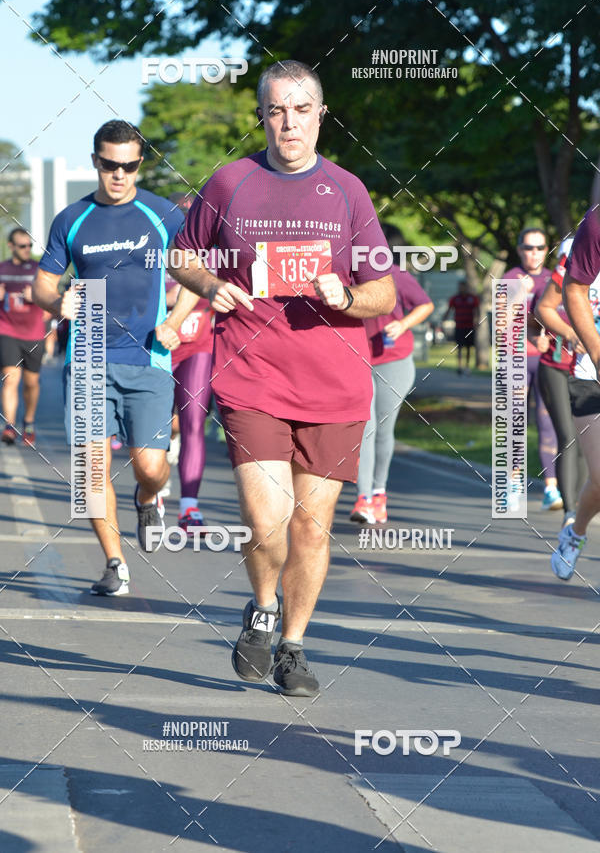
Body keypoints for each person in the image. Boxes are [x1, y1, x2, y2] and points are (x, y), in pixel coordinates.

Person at [171, 60, 395, 696]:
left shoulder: (348, 191)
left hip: (334, 384)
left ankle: (291, 644)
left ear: (321, 116)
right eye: (277, 110)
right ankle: (262, 606)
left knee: (311, 527)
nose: (289, 123)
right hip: (253, 375)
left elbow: (381, 292)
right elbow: (183, 255)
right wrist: (211, 285)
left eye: (301, 110)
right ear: (263, 116)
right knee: (266, 519)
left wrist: (345, 295)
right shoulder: (230, 182)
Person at [32, 119, 195, 596]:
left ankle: (149, 497)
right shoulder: (72, 219)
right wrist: (53, 301)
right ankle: (114, 563)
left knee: (150, 466)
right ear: (95, 161)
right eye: (109, 165)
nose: (118, 174)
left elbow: (195, 275)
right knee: (90, 471)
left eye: (128, 165)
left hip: (150, 356)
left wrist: (176, 319)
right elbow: (45, 281)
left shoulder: (164, 215)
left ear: (139, 164)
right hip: (87, 356)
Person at [350, 267, 433, 524]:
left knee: (383, 430)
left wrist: (403, 323)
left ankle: (378, 494)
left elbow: (425, 305)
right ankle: (363, 499)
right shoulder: (342, 274)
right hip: (356, 361)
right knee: (366, 428)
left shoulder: (394, 274)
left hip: (393, 361)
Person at [554, 208, 600, 579]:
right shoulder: (592, 229)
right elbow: (568, 290)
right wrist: (594, 349)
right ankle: (576, 531)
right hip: (589, 373)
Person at [165, 191, 214, 535]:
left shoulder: (215, 251)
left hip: (198, 348)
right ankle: (151, 489)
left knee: (193, 422)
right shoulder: (153, 249)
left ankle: (189, 506)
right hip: (157, 350)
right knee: (153, 427)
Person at [505, 228, 562, 511]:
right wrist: (520, 295)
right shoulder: (508, 278)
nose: (534, 253)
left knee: (546, 421)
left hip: (546, 359)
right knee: (515, 421)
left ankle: (551, 487)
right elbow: (502, 323)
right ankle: (513, 485)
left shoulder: (554, 279)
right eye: (528, 247)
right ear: (519, 249)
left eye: (540, 247)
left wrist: (546, 338)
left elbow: (559, 318)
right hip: (514, 358)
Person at [534, 239, 587, 530]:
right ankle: (569, 512)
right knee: (568, 436)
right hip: (555, 367)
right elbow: (540, 311)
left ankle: (579, 505)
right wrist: (569, 333)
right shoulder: (562, 275)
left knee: (586, 441)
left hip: (589, 370)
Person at [0, 229, 49, 447]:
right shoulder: (2, 269)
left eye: (29, 245)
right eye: (22, 246)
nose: (27, 249)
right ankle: (9, 426)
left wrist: (37, 297)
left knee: (31, 382)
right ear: (11, 246)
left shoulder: (39, 269)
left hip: (34, 333)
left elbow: (51, 300)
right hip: (7, 329)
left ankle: (28, 422)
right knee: (11, 378)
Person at [443, 280, 479, 374]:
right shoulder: (455, 298)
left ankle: (467, 366)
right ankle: (459, 366)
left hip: (469, 326)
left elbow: (476, 311)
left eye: (463, 287)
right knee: (459, 347)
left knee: (468, 347)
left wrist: (477, 321)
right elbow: (449, 309)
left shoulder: (472, 298)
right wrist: (444, 318)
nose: (461, 289)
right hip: (459, 326)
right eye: (460, 287)